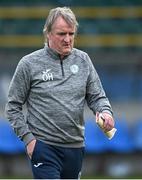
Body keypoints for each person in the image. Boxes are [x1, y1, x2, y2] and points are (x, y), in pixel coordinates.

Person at [5, 7, 115, 179]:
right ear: (48, 33)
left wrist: (106, 112)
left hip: (75, 147)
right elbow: (12, 107)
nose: (68, 39)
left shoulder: (83, 60)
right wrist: (29, 139)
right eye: (62, 34)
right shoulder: (29, 64)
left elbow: (97, 97)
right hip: (44, 147)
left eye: (71, 34)